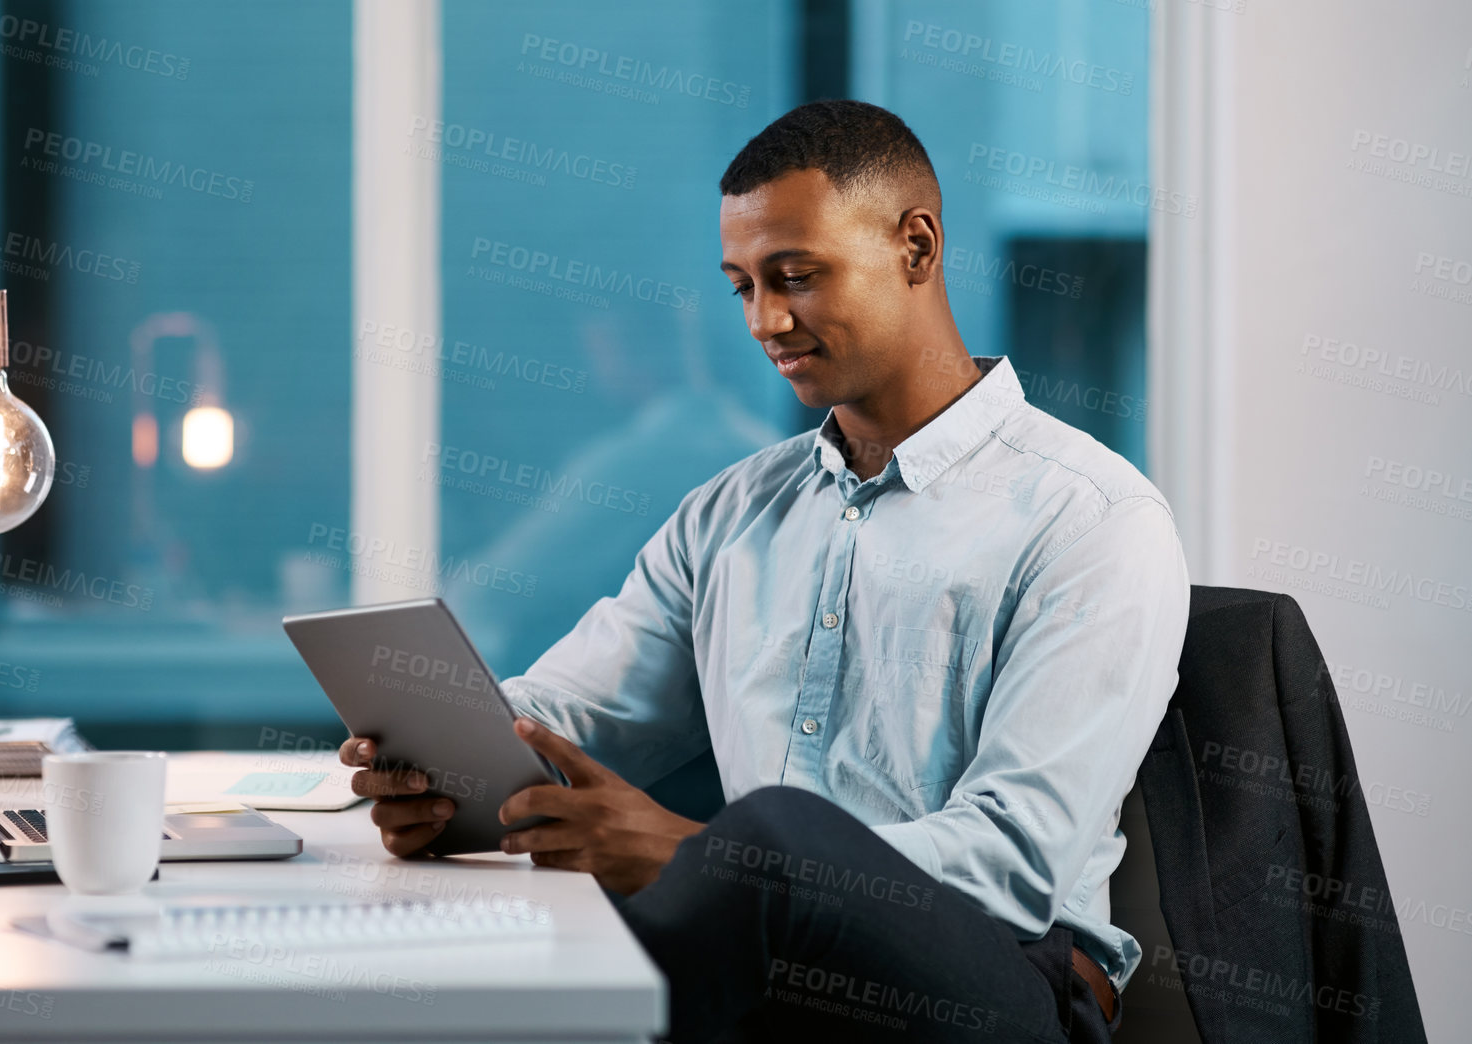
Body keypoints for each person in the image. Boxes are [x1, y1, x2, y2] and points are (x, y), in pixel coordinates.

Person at [340, 99, 1188, 1043]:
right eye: (740, 286)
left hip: (1002, 983)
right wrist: (452, 766)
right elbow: (571, 716)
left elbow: (1012, 861)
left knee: (770, 836)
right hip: (758, 963)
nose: (763, 320)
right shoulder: (730, 513)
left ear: (916, 247)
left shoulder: (1093, 520)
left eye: (795, 277)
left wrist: (702, 857)